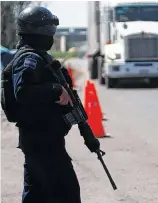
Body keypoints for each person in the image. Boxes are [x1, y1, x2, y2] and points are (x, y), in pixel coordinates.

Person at [8, 6, 101, 203]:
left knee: (37, 195)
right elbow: (22, 92)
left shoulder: (39, 57)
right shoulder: (29, 58)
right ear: (42, 31)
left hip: (42, 138)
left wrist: (89, 138)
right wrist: (56, 89)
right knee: (66, 193)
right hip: (42, 140)